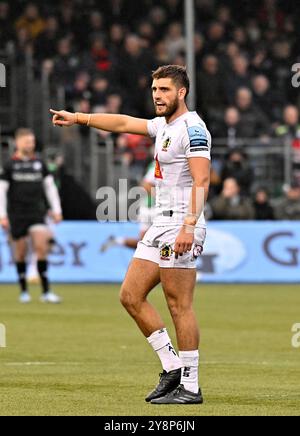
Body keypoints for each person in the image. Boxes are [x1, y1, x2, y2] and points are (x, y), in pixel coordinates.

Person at [50, 65, 211, 405]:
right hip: (158, 224)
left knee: (178, 305)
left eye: (165, 90)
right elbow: (123, 122)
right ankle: (171, 367)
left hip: (181, 223)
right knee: (130, 295)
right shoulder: (163, 125)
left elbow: (202, 181)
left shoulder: (193, 129)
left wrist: (189, 225)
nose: (157, 95)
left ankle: (192, 386)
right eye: (155, 89)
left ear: (181, 93)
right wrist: (79, 118)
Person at [0, 128, 63, 304]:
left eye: (32, 142)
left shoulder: (39, 164)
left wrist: (57, 210)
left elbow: (50, 188)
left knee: (41, 247)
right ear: (18, 143)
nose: (31, 145)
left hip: (37, 213)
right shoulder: (9, 165)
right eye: (27, 141)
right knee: (20, 253)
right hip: (16, 215)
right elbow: (1, 192)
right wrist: (2, 215)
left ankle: (46, 291)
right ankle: (24, 291)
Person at [101, 161, 156, 252]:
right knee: (147, 245)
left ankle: (117, 241)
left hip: (150, 209)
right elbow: (146, 184)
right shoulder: (161, 161)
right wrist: (164, 198)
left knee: (145, 245)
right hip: (153, 209)